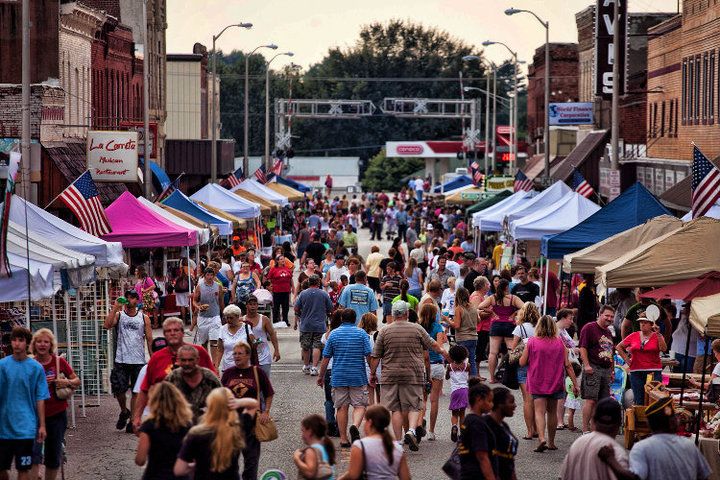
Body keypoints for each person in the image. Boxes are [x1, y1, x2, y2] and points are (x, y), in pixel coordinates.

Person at [369, 301, 448, 451]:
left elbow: (376, 356)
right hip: (413, 374)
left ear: (393, 314)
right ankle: (411, 430)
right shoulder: (417, 329)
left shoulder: (385, 331)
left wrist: (373, 374)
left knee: (396, 409)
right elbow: (435, 346)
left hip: (390, 375)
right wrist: (449, 358)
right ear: (406, 313)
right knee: (413, 405)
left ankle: (398, 443)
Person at [132, 317, 216, 432]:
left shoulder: (198, 352)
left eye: (176, 330)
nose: (172, 333)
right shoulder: (156, 358)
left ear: (182, 332)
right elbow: (145, 389)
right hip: (164, 417)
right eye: (168, 331)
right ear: (164, 334)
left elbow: (214, 385)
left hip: (194, 417)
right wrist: (137, 417)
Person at [600, 397, 711, 480]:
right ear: (672, 423)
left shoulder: (642, 447)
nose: (679, 420)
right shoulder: (689, 445)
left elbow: (634, 478)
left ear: (649, 424)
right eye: (676, 417)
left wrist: (611, 460)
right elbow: (703, 476)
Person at [520, 314, 579, 453]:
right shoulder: (559, 342)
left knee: (539, 412)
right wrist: (575, 384)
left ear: (539, 326)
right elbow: (568, 365)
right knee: (552, 412)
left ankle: (541, 438)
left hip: (537, 381)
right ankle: (551, 442)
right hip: (555, 381)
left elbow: (522, 362)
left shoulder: (532, 342)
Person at [174, 388, 258, 480]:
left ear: (209, 406)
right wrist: (238, 402)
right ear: (231, 406)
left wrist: (194, 466)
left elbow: (179, 470)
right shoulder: (237, 428)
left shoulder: (196, 433)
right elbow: (253, 404)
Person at [29, 329, 80, 480]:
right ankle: (35, 475)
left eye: (46, 342)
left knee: (52, 456)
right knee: (33, 453)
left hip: (57, 414)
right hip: (34, 415)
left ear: (51, 344)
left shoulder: (59, 362)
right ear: (34, 344)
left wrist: (65, 381)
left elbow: (77, 381)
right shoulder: (30, 363)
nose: (42, 344)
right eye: (39, 341)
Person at [317, 309, 372, 448]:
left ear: (342, 318)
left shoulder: (334, 334)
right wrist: (373, 373)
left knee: (341, 407)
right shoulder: (362, 334)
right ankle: (354, 425)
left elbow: (326, 358)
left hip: (338, 375)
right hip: (357, 375)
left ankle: (343, 438)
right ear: (355, 319)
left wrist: (321, 375)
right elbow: (368, 355)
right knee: (360, 406)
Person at [0, 327, 49, 480]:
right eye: (14, 340)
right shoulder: (2, 366)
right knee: (2, 471)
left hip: (26, 427)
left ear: (27, 343)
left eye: (21, 340)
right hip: (3, 427)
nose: (17, 344)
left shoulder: (36, 368)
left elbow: (40, 397)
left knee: (23, 470)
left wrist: (42, 425)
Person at [221, 343, 275, 480]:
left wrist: (266, 411)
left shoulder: (257, 372)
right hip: (231, 422)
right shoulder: (228, 373)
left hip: (251, 423)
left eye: (240, 353)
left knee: (251, 460)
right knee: (230, 461)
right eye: (234, 354)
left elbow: (269, 393)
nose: (236, 356)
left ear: (248, 355)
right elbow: (220, 394)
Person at [104, 290, 153, 433]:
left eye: (132, 298)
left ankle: (132, 420)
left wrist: (153, 358)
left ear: (136, 301)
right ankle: (124, 411)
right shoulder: (120, 315)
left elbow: (150, 340)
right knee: (119, 389)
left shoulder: (144, 318)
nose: (128, 300)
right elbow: (107, 325)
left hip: (138, 360)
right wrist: (115, 307)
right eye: (127, 297)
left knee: (136, 391)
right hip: (122, 358)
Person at [135, 381, 193, 480]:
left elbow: (140, 460)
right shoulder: (187, 425)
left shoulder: (149, 426)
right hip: (180, 476)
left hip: (155, 475)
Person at [560, 397, 628, 480]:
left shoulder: (578, 443)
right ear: (619, 424)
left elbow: (562, 477)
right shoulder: (615, 452)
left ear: (593, 421)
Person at [339, 405, 410, 480]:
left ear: (369, 422)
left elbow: (353, 475)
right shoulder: (397, 448)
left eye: (365, 421)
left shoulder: (360, 446)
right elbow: (406, 478)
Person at [478, 279, 524, 384]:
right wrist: (514, 314)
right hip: (509, 325)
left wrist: (491, 312)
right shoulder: (513, 298)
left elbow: (480, 306)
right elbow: (526, 307)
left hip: (496, 325)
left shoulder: (492, 298)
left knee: (493, 352)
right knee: (511, 352)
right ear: (507, 287)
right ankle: (511, 377)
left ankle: (492, 378)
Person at [616, 312, 667, 405]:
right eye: (640, 322)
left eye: (645, 322)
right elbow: (619, 347)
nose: (642, 324)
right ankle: (639, 419)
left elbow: (664, 349)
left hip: (653, 370)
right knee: (639, 399)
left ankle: (651, 419)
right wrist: (627, 360)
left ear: (651, 324)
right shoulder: (634, 335)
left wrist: (659, 334)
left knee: (653, 399)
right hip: (636, 371)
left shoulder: (657, 336)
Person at [579, 305, 616, 433]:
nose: (609, 318)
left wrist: (612, 370)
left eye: (612, 316)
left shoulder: (609, 332)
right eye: (607, 315)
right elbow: (582, 347)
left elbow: (611, 352)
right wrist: (587, 365)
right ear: (600, 314)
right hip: (593, 367)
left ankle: (595, 430)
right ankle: (585, 430)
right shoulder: (589, 328)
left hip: (606, 370)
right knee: (590, 400)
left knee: (602, 402)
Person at [166, 345, 222, 423]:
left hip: (206, 427)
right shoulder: (172, 379)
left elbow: (222, 402)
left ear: (197, 360)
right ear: (178, 360)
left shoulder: (210, 379)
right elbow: (163, 404)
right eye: (184, 360)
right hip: (179, 427)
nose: (187, 363)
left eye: (190, 360)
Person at [509, 302, 539, 440]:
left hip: (523, 364)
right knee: (536, 399)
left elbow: (513, 347)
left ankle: (529, 431)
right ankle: (538, 429)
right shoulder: (540, 327)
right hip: (538, 364)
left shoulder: (520, 328)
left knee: (527, 400)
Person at [296, 275, 334, 376]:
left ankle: (306, 366)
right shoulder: (324, 294)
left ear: (308, 283)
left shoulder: (303, 294)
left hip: (306, 324)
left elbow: (296, 308)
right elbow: (331, 308)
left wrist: (300, 315)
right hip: (319, 324)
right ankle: (314, 367)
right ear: (318, 283)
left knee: (306, 346)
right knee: (317, 346)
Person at [458, 380, 495, 480]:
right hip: (476, 474)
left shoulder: (468, 419)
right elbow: (482, 456)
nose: (492, 405)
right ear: (479, 400)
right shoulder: (477, 424)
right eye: (489, 401)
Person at [484, 387, 519, 480]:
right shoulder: (486, 426)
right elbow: (483, 459)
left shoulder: (503, 425)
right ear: (500, 404)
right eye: (511, 402)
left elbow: (509, 460)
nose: (515, 405)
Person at [241, 296, 281, 377]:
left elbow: (272, 335)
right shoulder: (242, 320)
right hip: (248, 357)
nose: (252, 306)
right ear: (246, 306)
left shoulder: (264, 319)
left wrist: (276, 350)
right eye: (250, 304)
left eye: (255, 304)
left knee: (264, 382)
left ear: (257, 306)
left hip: (264, 357)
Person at [293, 414, 336, 480]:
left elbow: (310, 473)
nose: (302, 435)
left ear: (309, 431)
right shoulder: (325, 446)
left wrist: (296, 459)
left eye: (303, 431)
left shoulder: (311, 450)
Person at [448, 287, 480, 377]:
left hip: (463, 337)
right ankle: (473, 380)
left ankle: (462, 379)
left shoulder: (459, 309)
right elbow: (479, 320)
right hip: (473, 337)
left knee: (462, 360)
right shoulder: (473, 307)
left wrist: (448, 321)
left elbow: (457, 326)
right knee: (472, 360)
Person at [192, 267, 225, 352]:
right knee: (204, 342)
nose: (210, 277)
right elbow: (194, 301)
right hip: (203, 317)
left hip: (215, 317)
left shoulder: (218, 287)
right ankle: (206, 360)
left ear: (214, 276)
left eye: (211, 275)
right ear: (205, 276)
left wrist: (224, 314)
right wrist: (199, 307)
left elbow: (221, 302)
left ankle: (214, 364)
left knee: (214, 342)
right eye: (208, 275)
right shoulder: (199, 287)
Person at [446, 345, 470, 442]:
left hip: (454, 391)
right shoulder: (467, 366)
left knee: (454, 413)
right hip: (464, 391)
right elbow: (469, 378)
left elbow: (447, 377)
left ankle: (454, 426)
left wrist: (449, 372)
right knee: (462, 414)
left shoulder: (450, 367)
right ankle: (463, 433)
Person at [218, 305, 247, 373]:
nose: (228, 320)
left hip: (243, 367)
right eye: (227, 318)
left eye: (231, 318)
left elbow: (252, 345)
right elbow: (220, 350)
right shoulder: (222, 329)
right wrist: (216, 366)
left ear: (237, 317)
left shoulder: (246, 328)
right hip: (227, 368)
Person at [267, 253, 294, 327]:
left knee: (286, 307)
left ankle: (285, 320)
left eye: (283, 259)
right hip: (277, 291)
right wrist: (270, 287)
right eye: (281, 259)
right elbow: (269, 278)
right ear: (277, 261)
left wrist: (293, 288)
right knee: (276, 307)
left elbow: (290, 279)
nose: (283, 260)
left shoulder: (287, 269)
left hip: (286, 291)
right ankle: (275, 320)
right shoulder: (273, 269)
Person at [562, 363, 583, 431]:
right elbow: (574, 390)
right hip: (573, 398)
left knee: (570, 412)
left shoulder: (567, 378)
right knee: (571, 413)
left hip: (569, 396)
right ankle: (571, 426)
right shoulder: (573, 381)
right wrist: (578, 392)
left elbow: (565, 388)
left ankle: (570, 425)